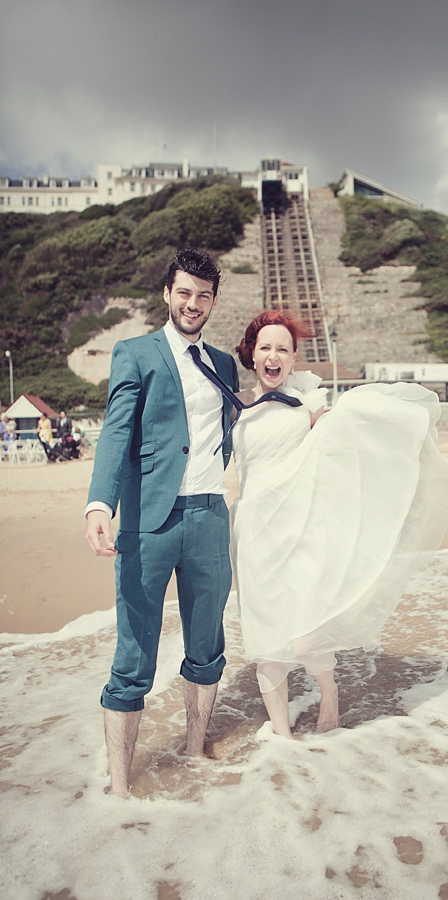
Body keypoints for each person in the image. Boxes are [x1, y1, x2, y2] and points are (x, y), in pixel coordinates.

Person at [230, 311, 448, 738]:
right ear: (252, 354)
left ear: (294, 358)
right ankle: (282, 738)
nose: (273, 356)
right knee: (266, 642)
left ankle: (328, 694)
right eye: (265, 348)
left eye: (283, 348)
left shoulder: (308, 403)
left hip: (301, 527)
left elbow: (343, 443)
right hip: (254, 533)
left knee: (303, 636)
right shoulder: (234, 406)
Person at [85, 248, 239, 797]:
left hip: (209, 518)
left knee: (207, 644)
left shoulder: (224, 364)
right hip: (148, 522)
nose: (192, 303)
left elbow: (233, 428)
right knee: (134, 655)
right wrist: (101, 504)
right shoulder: (135, 353)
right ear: (167, 294)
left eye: (203, 295)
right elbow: (114, 433)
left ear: (214, 301)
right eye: (184, 292)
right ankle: (121, 788)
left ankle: (195, 752)